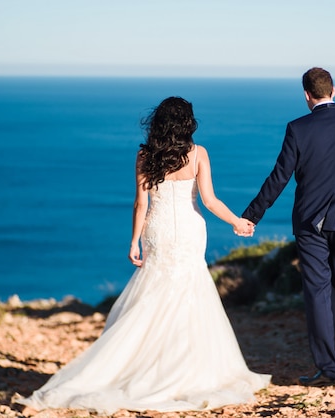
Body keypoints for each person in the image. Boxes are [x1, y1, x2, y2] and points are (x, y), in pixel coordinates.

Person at [17, 97, 270, 414]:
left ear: (159, 123)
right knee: (190, 294)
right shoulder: (198, 154)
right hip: (191, 232)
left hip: (159, 231)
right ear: (188, 123)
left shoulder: (145, 155)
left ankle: (142, 366)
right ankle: (186, 371)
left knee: (155, 295)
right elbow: (209, 200)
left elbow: (141, 204)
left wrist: (134, 240)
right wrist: (236, 221)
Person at [242, 67, 335, 387]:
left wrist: (252, 215)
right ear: (334, 90)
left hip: (309, 224)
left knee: (316, 292)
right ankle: (333, 359)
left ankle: (329, 368)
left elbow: (279, 178)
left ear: (307, 95)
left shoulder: (297, 128)